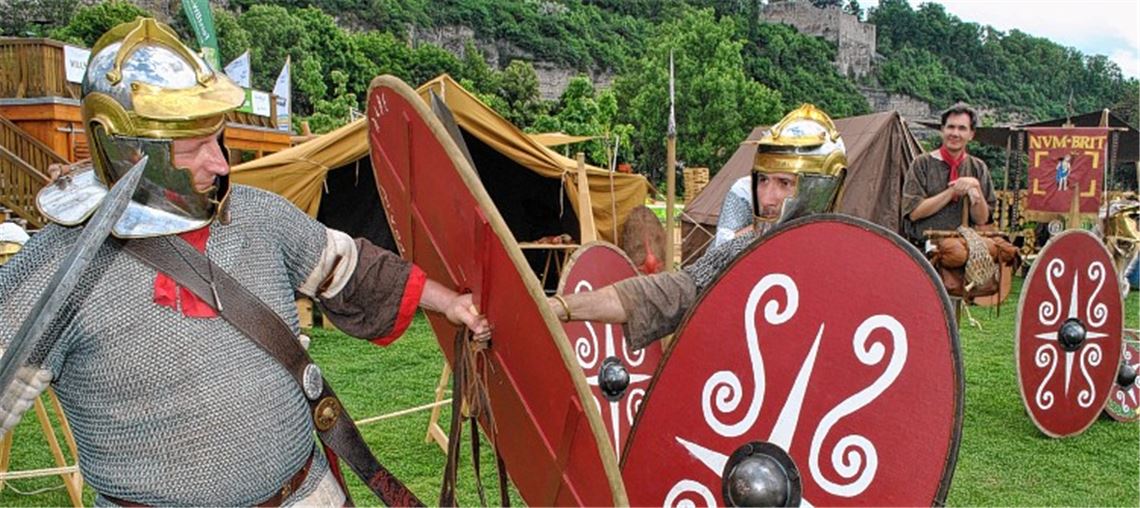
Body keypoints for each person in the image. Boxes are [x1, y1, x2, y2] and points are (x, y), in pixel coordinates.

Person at [0, 19, 489, 506]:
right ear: (126, 151)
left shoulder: (257, 215)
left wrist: (449, 303)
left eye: (217, 139)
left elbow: (352, 269)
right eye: (193, 149)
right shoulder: (57, 268)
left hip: (302, 495)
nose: (219, 164)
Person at [547, 104, 847, 349]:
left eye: (784, 183)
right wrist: (561, 308)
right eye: (763, 180)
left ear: (819, 189)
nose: (767, 197)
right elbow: (660, 295)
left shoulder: (850, 267)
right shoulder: (740, 252)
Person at [902, 102, 996, 245]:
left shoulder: (978, 167)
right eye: (951, 127)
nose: (955, 133)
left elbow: (982, 219)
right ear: (942, 130)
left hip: (964, 251)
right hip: (924, 250)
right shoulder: (922, 164)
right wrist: (952, 191)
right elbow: (914, 213)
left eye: (962, 128)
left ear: (971, 134)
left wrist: (975, 187)